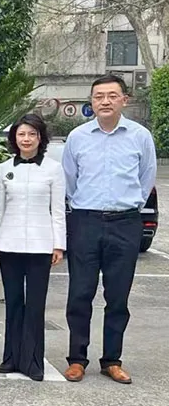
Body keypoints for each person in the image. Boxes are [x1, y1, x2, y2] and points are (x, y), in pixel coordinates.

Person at [62, 74, 156, 385]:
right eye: (99, 96)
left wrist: (128, 207)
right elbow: (70, 181)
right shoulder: (77, 137)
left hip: (125, 222)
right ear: (91, 101)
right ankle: (77, 359)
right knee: (80, 293)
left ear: (124, 100)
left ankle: (112, 360)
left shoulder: (140, 136)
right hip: (85, 221)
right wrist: (86, 209)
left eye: (112, 96)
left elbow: (146, 179)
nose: (105, 101)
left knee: (118, 296)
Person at [0, 113, 65, 382]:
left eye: (32, 134)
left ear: (40, 138)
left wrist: (58, 245)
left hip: (40, 245)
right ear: (14, 138)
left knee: (35, 305)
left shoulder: (53, 169)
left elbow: (58, 210)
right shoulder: (3, 168)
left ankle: (33, 361)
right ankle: (11, 358)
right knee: (13, 303)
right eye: (21, 134)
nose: (26, 139)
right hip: (9, 244)